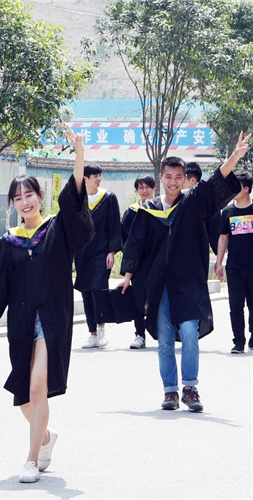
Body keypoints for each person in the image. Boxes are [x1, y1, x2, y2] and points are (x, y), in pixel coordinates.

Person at [0, 126, 93, 483]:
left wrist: (79, 156)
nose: (25, 202)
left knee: (38, 389)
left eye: (30, 195)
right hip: (22, 323)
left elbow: (75, 198)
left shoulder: (57, 230)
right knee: (23, 394)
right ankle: (46, 437)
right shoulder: (9, 244)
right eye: (18, 198)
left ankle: (31, 459)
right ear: (12, 204)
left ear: (40, 196)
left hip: (51, 319)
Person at [121, 133, 249, 412]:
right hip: (160, 283)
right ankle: (170, 391)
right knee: (165, 338)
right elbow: (135, 244)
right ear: (161, 177)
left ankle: (190, 388)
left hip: (188, 281)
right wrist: (128, 275)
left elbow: (215, 181)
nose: (173, 182)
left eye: (179, 177)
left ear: (184, 179)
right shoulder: (149, 210)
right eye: (168, 176)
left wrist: (235, 156)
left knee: (190, 331)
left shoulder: (192, 203)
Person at [75, 164, 122, 349]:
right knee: (86, 291)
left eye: (100, 176)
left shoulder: (108, 198)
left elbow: (114, 225)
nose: (99, 179)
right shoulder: (78, 199)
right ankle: (92, 333)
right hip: (82, 253)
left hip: (101, 252)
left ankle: (102, 330)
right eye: (95, 176)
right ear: (85, 178)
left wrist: (112, 251)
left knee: (98, 289)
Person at [214, 170, 253, 354]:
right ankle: (238, 341)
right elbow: (223, 238)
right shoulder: (228, 212)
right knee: (235, 305)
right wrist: (218, 263)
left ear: (246, 189)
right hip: (235, 266)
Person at [120, 174, 156, 349]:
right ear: (136, 191)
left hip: (157, 262)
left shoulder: (160, 209)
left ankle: (164, 332)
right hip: (138, 265)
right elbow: (125, 239)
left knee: (159, 299)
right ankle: (139, 334)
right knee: (138, 299)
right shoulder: (132, 212)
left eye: (147, 187)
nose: (144, 190)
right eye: (141, 187)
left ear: (154, 188)